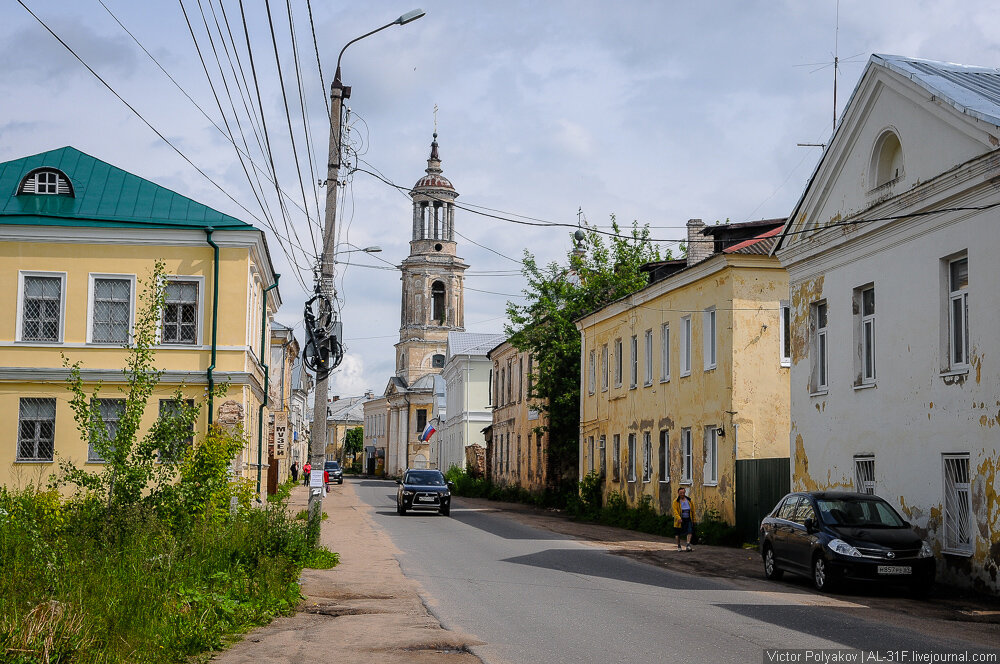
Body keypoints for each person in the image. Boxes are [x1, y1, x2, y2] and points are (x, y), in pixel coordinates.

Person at [673, 487, 695, 551]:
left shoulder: (689, 500)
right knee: (678, 534)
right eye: (680, 493)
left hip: (688, 518)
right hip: (679, 520)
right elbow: (675, 511)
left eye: (683, 493)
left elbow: (693, 510)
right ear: (678, 493)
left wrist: (694, 519)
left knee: (689, 531)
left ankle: (688, 545)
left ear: (685, 493)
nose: (682, 494)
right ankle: (679, 545)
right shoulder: (676, 501)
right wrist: (679, 518)